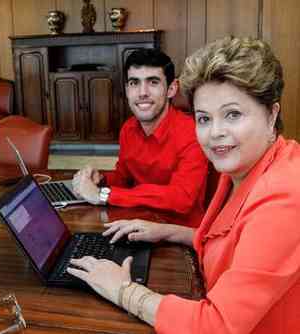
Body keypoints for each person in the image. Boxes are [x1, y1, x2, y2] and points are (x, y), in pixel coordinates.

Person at [67, 36, 300, 333]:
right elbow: (231, 244)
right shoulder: (241, 166)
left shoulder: (285, 194)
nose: (215, 133)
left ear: (272, 115)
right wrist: (167, 231)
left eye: (233, 114)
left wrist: (123, 291)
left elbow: (215, 326)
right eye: (204, 118)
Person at [73, 48, 208, 227]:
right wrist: (101, 179)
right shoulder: (128, 129)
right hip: (135, 223)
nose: (142, 92)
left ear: (171, 89)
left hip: (179, 236)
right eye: (134, 83)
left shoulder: (193, 132)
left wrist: (103, 195)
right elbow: (124, 179)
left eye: (153, 82)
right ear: (127, 89)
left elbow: (181, 198)